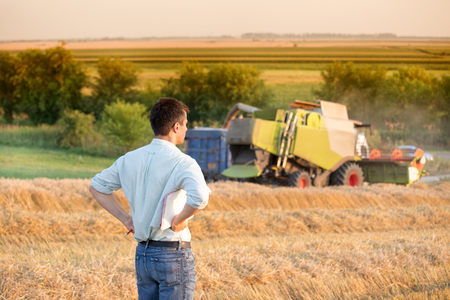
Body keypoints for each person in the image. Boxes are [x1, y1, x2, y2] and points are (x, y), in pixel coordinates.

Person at [89, 97, 210, 300]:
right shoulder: (183, 162)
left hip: (143, 256)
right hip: (173, 253)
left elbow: (96, 187)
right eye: (186, 125)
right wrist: (179, 220)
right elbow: (200, 198)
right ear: (176, 126)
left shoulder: (129, 159)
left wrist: (126, 219)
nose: (186, 130)